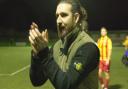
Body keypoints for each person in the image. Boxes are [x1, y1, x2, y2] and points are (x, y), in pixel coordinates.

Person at [29, 0, 99, 89]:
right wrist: (36, 55)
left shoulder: (88, 47)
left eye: (63, 15)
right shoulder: (56, 46)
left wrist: (44, 53)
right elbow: (37, 80)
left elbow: (66, 85)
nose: (58, 21)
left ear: (76, 18)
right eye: (57, 16)